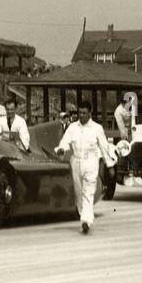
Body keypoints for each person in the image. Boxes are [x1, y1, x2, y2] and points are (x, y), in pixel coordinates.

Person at [53, 100, 114, 234]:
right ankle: (84, 216)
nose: (81, 115)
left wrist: (110, 165)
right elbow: (64, 142)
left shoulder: (97, 128)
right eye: (79, 113)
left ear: (90, 113)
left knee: (88, 192)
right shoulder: (73, 127)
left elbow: (104, 147)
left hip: (91, 161)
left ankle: (86, 221)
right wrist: (62, 149)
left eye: (84, 113)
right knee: (79, 193)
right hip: (76, 161)